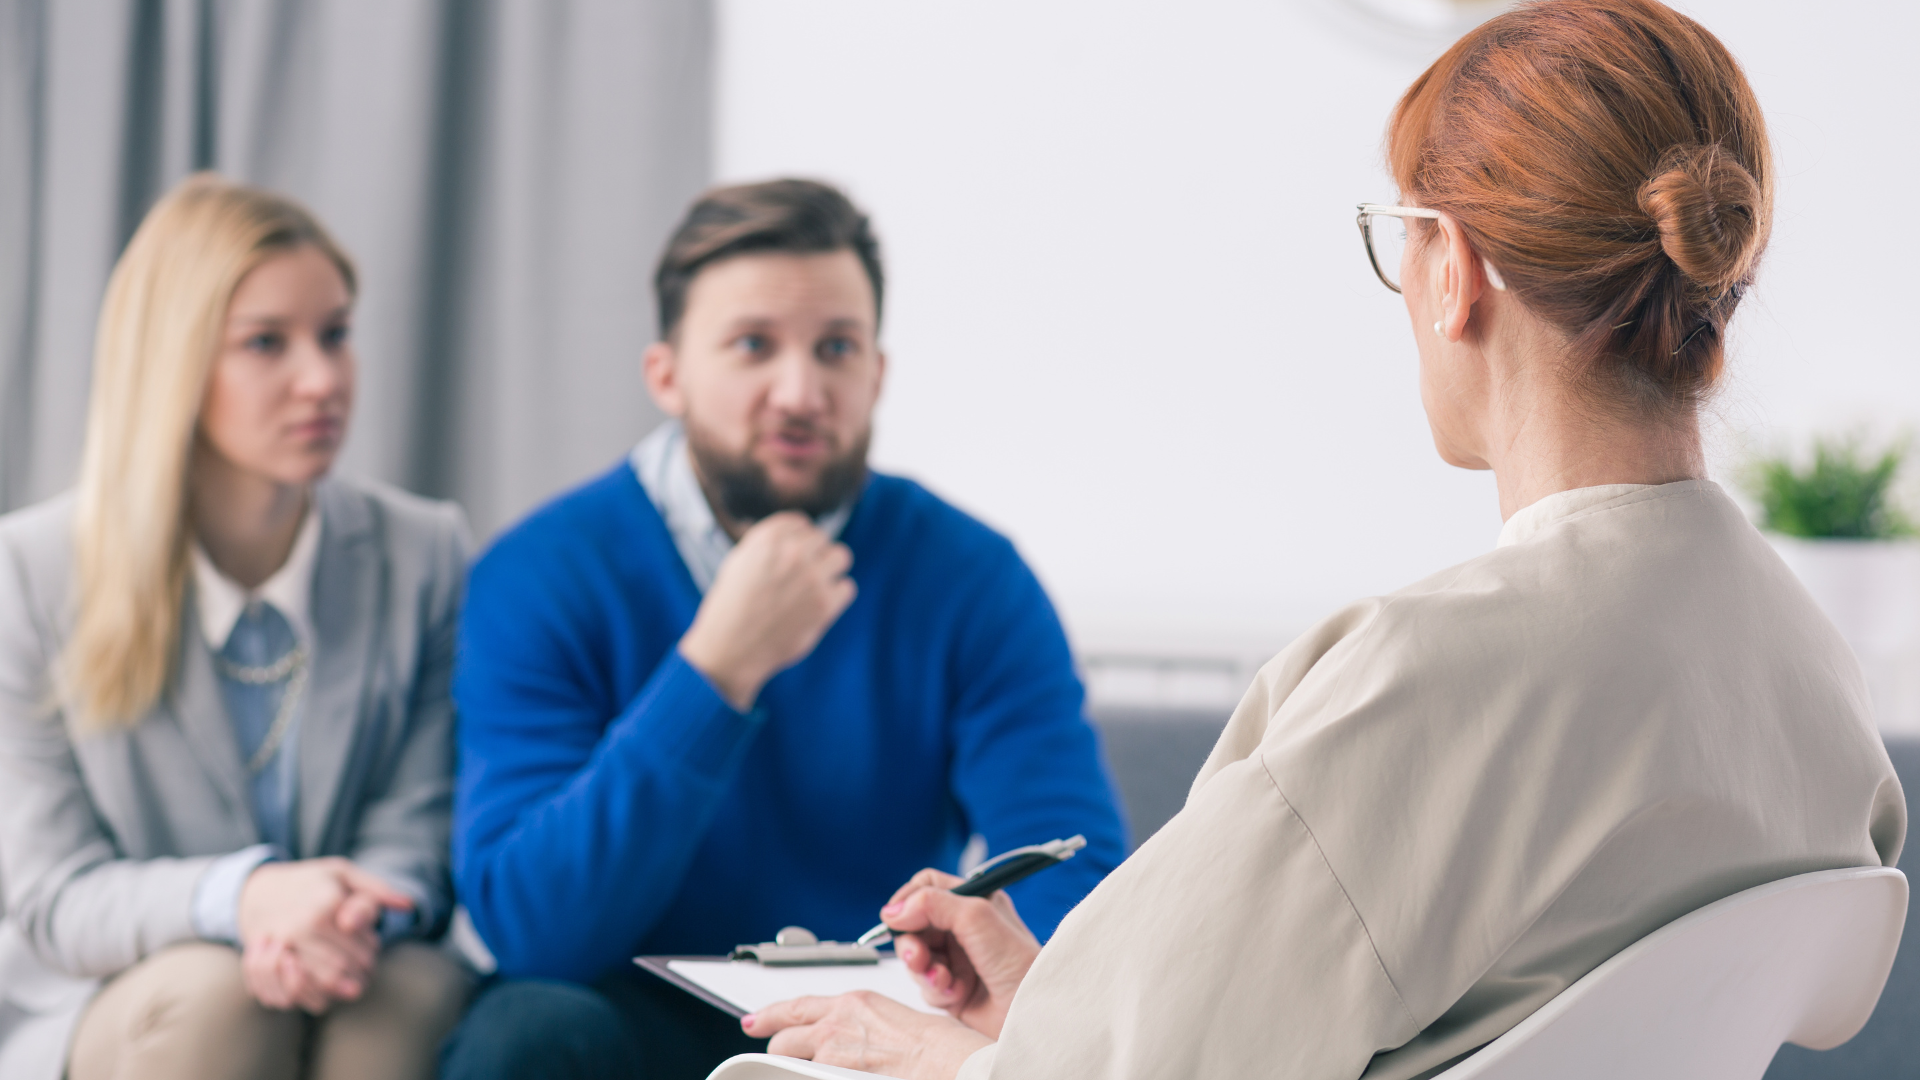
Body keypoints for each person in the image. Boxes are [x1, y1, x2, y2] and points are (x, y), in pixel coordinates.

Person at [741, 3, 1908, 1077]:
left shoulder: (1418, 684)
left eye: (1403, 234)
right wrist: (1063, 1008)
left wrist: (947, 1055)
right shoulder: (1811, 672)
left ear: (1455, 271)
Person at [439, 179, 1127, 1080]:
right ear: (667, 374)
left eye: (836, 348)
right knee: (521, 1035)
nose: (799, 391)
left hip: (866, 1021)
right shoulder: (540, 573)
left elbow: (1070, 871)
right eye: (753, 345)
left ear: (875, 373)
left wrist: (969, 985)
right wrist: (715, 673)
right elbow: (532, 929)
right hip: (616, 1024)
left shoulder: (972, 579)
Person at [0, 175, 473, 1080]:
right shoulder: (29, 572)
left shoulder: (424, 552)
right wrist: (246, 898)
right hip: (124, 988)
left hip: (360, 959)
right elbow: (54, 896)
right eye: (267, 343)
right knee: (222, 1001)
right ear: (172, 363)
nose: (323, 378)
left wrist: (333, 920)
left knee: (401, 998)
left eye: (336, 334)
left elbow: (418, 833)